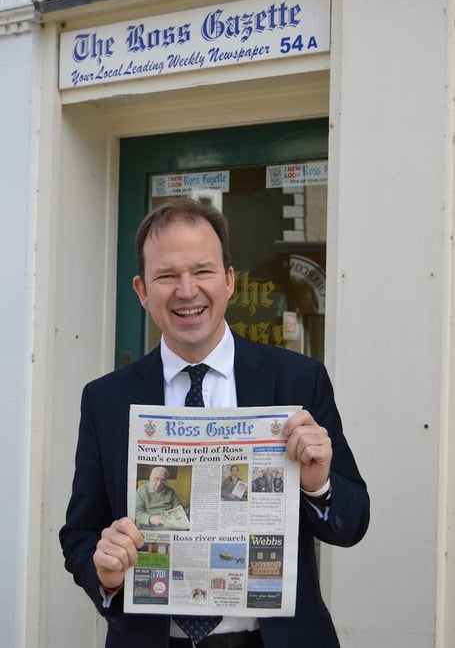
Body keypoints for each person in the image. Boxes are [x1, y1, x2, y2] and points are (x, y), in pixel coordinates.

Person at [60, 198, 370, 648]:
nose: (187, 291)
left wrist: (318, 484)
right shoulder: (105, 400)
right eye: (167, 276)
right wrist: (104, 572)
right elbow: (79, 533)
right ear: (142, 290)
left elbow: (353, 522)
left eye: (202, 271)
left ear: (229, 281)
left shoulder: (298, 380)